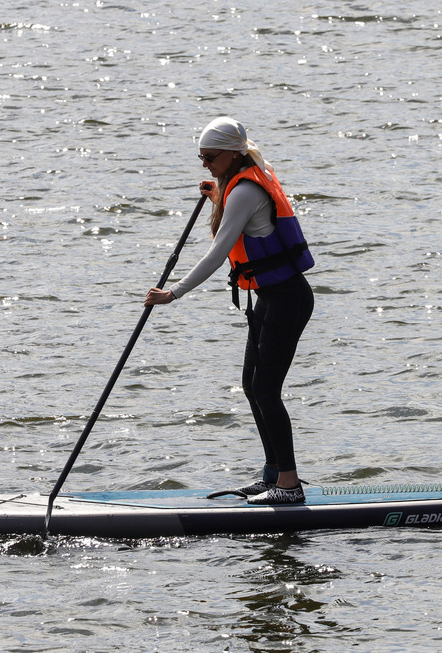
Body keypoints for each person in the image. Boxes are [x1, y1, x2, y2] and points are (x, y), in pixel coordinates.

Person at [144, 116, 315, 505]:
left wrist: (174, 293)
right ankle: (273, 474)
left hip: (287, 297)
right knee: (252, 386)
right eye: (200, 156)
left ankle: (289, 486)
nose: (204, 163)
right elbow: (246, 212)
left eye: (210, 157)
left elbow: (219, 251)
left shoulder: (244, 190)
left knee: (266, 390)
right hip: (269, 298)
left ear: (232, 154)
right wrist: (218, 194)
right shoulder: (249, 175)